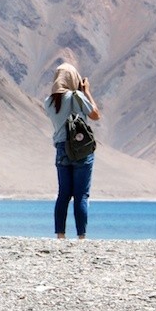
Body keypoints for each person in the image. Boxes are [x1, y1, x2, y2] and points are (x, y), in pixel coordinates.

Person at [44, 63, 101, 240]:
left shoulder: (49, 102)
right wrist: (86, 92)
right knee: (81, 194)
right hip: (81, 149)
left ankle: (60, 235)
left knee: (63, 194)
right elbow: (95, 115)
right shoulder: (76, 96)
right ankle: (81, 237)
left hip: (61, 148)